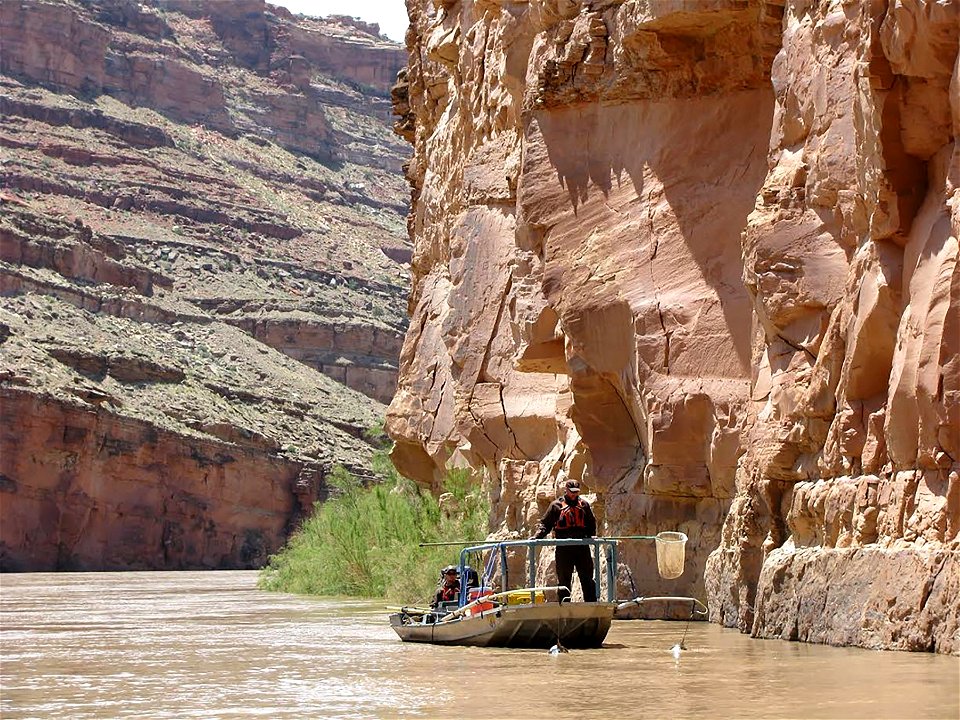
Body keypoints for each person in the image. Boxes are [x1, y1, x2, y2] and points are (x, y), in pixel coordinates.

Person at [532, 479, 598, 603]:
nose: (574, 494)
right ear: (566, 490)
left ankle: (591, 605)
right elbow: (545, 524)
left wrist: (591, 536)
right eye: (571, 492)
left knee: (587, 578)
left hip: (581, 547)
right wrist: (537, 537)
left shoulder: (584, 505)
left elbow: (591, 523)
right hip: (564, 548)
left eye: (576, 492)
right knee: (564, 579)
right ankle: (564, 607)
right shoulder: (556, 506)